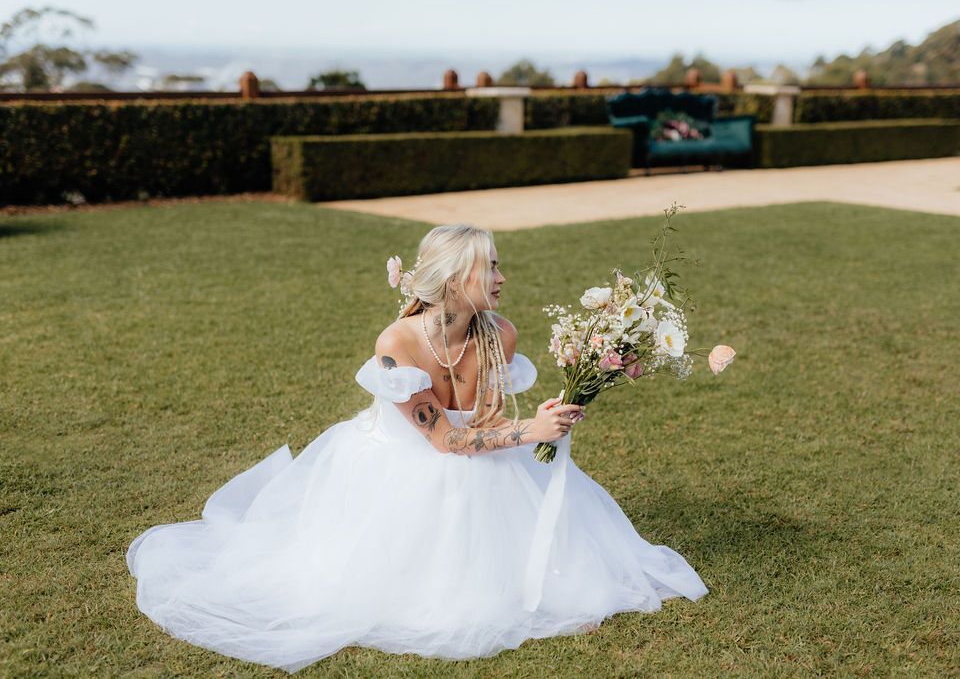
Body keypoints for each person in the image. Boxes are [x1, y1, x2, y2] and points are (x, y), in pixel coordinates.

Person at [125, 224, 708, 674]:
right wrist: (531, 432)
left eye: (499, 265)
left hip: (475, 448)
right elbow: (446, 440)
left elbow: (486, 422)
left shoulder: (499, 333)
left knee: (503, 493)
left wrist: (540, 420)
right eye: (491, 268)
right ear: (454, 281)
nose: (503, 278)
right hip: (400, 459)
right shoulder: (397, 343)